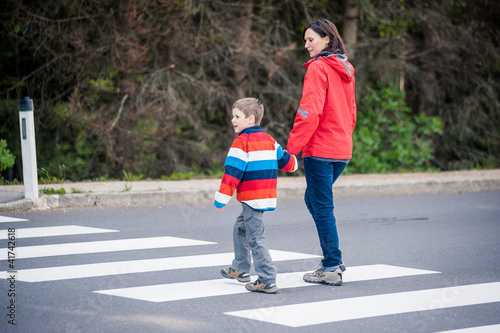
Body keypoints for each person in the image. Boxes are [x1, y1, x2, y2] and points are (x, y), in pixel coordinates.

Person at [286, 19, 356, 286]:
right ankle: (333, 258)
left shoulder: (318, 68)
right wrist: (344, 139)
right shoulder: (346, 68)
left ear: (327, 39)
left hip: (320, 150)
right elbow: (352, 112)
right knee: (313, 200)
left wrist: (292, 150)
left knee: (322, 207)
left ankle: (331, 266)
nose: (306, 45)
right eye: (305, 40)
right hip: (341, 149)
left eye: (310, 40)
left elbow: (308, 112)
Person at [215, 97, 298, 294]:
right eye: (232, 116)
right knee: (240, 228)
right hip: (265, 195)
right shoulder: (269, 140)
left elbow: (232, 172)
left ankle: (267, 279)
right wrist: (294, 161)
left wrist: (222, 198)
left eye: (237, 116)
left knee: (255, 238)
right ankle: (240, 268)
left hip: (252, 198)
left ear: (251, 118)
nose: (232, 120)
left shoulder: (241, 142)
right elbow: (287, 162)